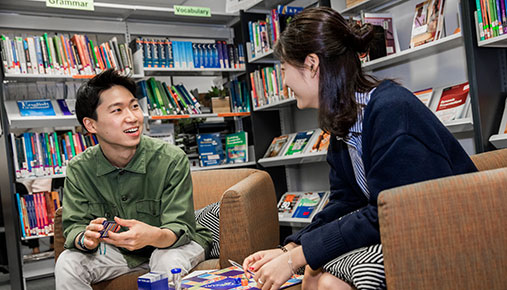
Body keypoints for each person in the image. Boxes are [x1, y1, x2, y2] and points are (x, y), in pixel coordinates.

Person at [242, 7, 477, 290]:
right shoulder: (346, 121)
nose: (284, 82)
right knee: (314, 274)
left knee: (325, 280)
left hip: (449, 234)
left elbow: (389, 211)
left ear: (312, 64)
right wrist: (288, 249)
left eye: (284, 69)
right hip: (403, 229)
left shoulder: (390, 111)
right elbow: (345, 203)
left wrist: (296, 259)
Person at [55, 69, 212, 289]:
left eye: (134, 106)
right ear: (91, 125)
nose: (133, 117)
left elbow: (180, 227)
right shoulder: (79, 169)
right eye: (117, 110)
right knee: (68, 263)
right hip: (120, 253)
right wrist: (85, 237)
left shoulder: (171, 159)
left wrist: (152, 235)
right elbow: (73, 226)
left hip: (173, 245)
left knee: (165, 260)